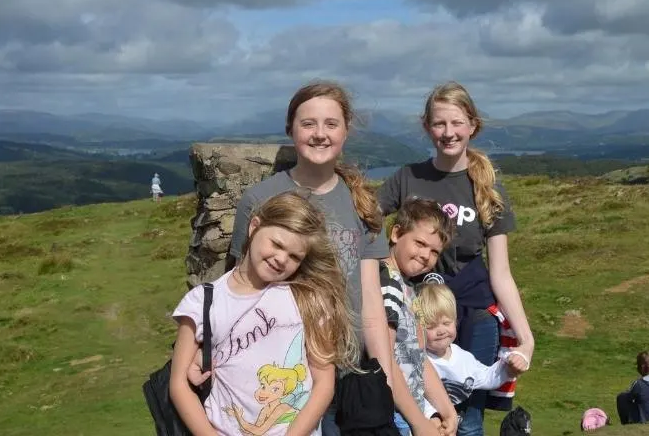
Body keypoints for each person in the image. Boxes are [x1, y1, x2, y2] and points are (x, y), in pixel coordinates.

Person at [214, 81, 427, 436]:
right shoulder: (260, 199)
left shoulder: (363, 203)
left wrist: (391, 394)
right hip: (285, 377)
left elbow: (372, 309)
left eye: (331, 124)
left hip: (352, 376)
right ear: (290, 129)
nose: (319, 134)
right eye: (307, 123)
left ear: (346, 131)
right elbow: (236, 294)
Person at [378, 82, 535, 436]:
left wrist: (526, 338)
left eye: (457, 123)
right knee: (416, 406)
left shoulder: (488, 188)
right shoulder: (407, 177)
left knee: (470, 418)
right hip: (419, 312)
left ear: (472, 125)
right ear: (427, 127)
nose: (448, 133)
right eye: (439, 124)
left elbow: (501, 273)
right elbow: (367, 224)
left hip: (474, 312)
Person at [169, 192, 360, 436]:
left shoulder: (308, 299)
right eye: (277, 244)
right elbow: (178, 385)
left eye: (294, 257)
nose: (281, 259)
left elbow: (324, 382)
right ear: (254, 226)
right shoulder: (202, 302)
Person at [380, 198, 458, 436]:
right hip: (390, 414)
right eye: (420, 243)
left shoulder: (408, 288)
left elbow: (418, 358)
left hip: (409, 412)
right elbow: (385, 360)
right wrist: (420, 422)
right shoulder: (385, 284)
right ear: (396, 233)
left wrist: (447, 410)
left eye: (434, 251)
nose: (426, 255)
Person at [416, 284, 524, 423]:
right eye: (431, 326)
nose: (441, 331)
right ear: (418, 328)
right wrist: (432, 416)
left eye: (446, 323)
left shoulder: (462, 357)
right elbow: (412, 395)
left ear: (455, 322)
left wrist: (509, 366)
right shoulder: (419, 360)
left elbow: (487, 377)